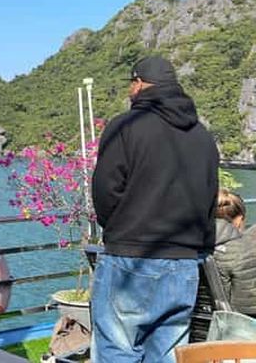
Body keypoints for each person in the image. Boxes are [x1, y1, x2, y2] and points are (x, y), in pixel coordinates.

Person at [91, 55, 219, 362]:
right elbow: (210, 199)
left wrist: (120, 231)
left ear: (138, 83)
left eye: (131, 84)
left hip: (131, 258)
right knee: (167, 355)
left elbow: (105, 192)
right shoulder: (202, 137)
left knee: (117, 351)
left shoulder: (125, 126)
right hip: (184, 265)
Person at [213, 189, 256, 316]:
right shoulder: (244, 254)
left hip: (195, 320)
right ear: (238, 220)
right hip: (233, 326)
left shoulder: (185, 242)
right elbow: (248, 308)